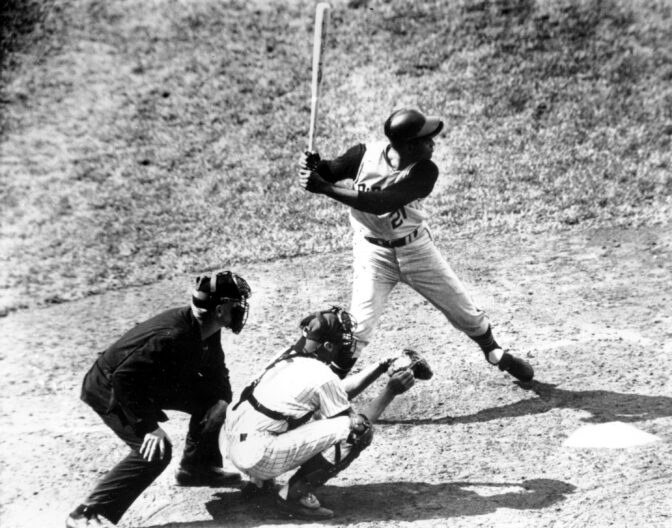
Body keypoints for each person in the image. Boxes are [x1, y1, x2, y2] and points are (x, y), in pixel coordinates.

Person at [297, 107, 534, 382]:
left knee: (466, 314)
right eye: (426, 139)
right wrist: (313, 167)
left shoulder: (425, 171)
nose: (433, 143)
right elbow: (328, 171)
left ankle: (495, 354)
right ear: (408, 145)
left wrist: (323, 187)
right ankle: (328, 390)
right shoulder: (363, 155)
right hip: (373, 255)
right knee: (357, 330)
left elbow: (381, 203)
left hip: (416, 251)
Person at [66, 271, 252, 528]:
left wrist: (222, 400)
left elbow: (216, 371)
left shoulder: (208, 326)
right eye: (237, 303)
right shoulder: (171, 335)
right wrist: (148, 426)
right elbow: (123, 379)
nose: (242, 308)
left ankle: (197, 469)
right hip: (111, 387)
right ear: (220, 309)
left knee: (214, 400)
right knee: (155, 451)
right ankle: (85, 513)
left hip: (145, 382)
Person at [222, 306, 420, 520]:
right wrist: (390, 391)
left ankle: (258, 484)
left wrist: (381, 366)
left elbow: (335, 393)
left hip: (231, 444)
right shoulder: (321, 374)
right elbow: (355, 424)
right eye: (342, 342)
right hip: (257, 457)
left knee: (285, 412)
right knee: (357, 432)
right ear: (327, 345)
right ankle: (293, 497)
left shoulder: (286, 356)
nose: (346, 347)